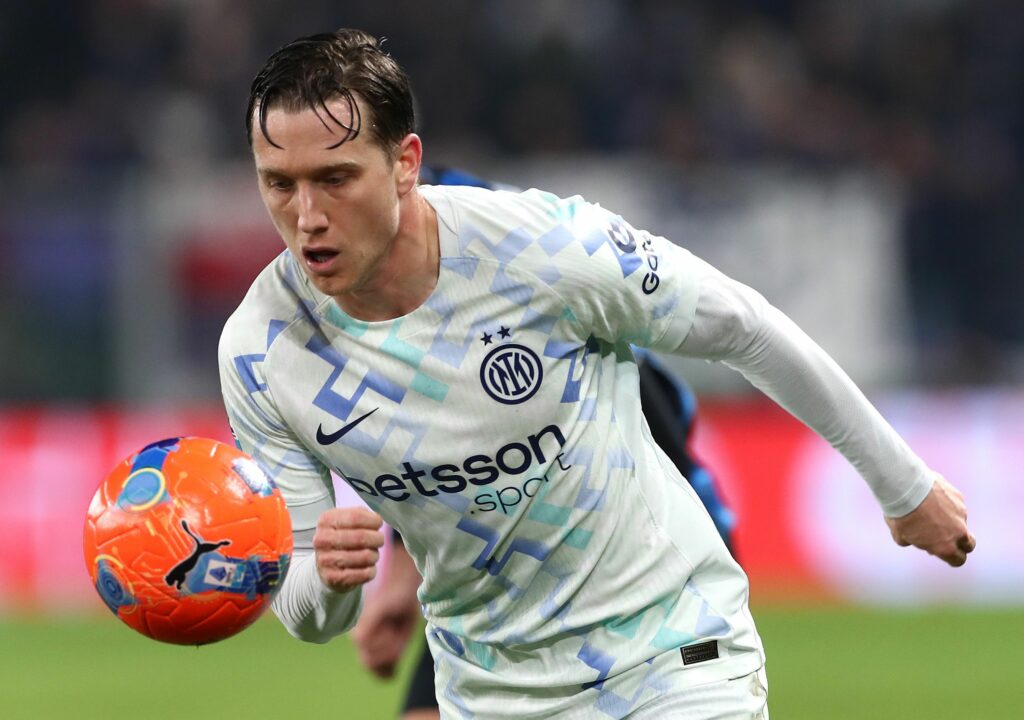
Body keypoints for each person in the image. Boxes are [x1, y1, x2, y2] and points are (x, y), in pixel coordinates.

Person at [219, 29, 975, 719]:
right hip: (488, 695)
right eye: (279, 183)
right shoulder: (260, 352)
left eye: (335, 177)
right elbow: (311, 614)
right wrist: (330, 577)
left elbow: (742, 326)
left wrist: (903, 487)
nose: (306, 215)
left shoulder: (542, 249)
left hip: (671, 657)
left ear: (406, 163)